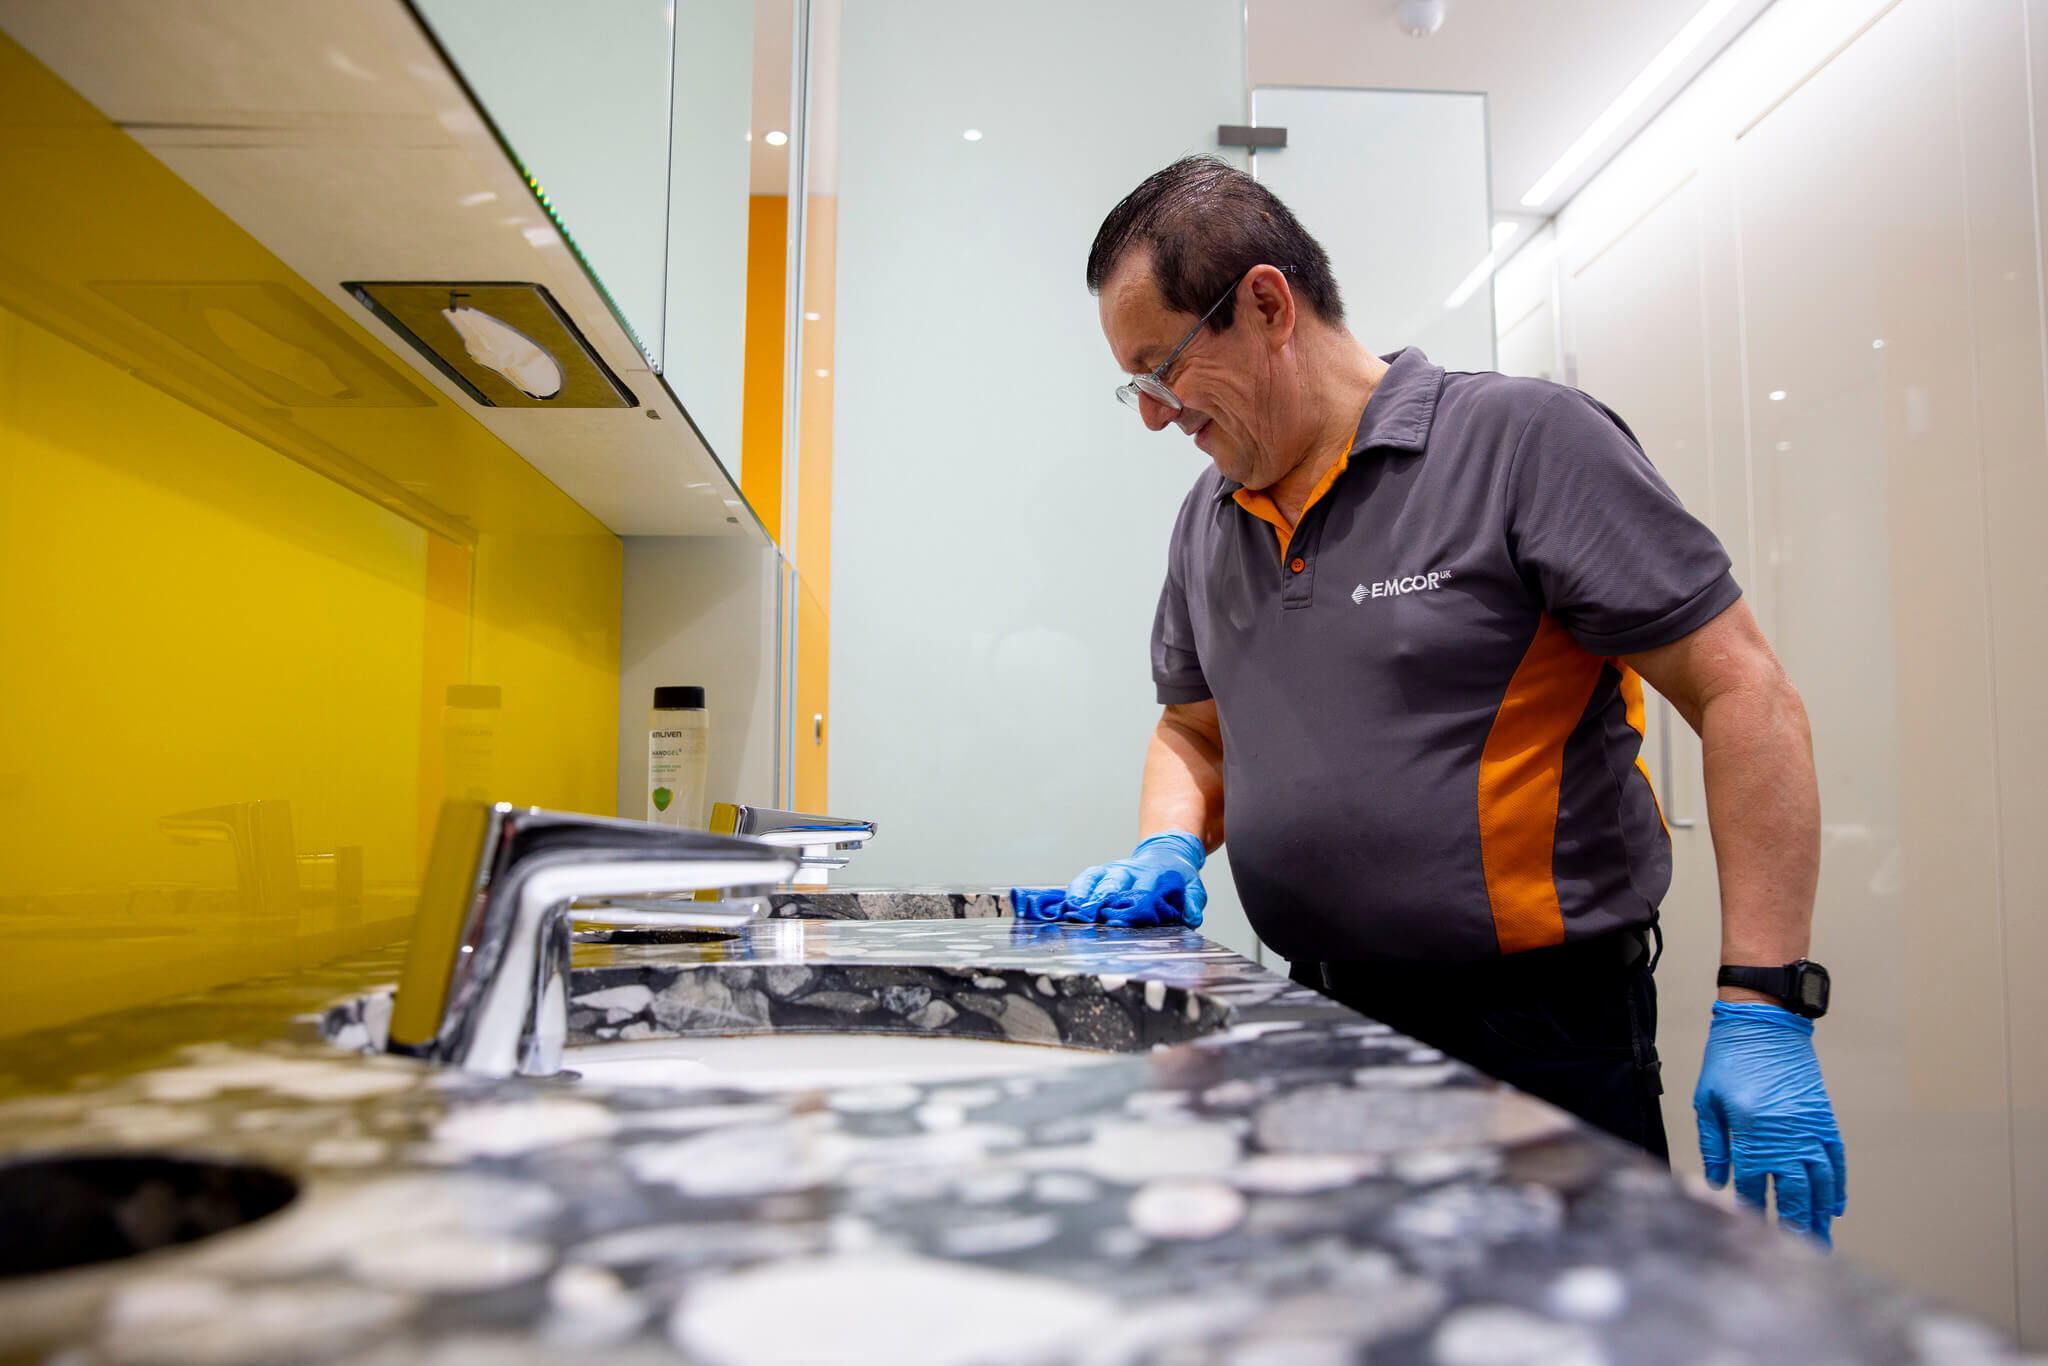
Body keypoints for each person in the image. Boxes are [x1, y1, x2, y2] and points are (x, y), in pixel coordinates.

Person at [1067, 156, 1845, 1243]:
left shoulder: (1523, 446)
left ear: (1263, 303)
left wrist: (1763, 997)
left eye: (1162, 374)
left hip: (1534, 1037)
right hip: (1314, 1022)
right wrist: (1165, 845)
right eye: (1135, 388)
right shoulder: (1209, 520)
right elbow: (1196, 729)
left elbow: (1743, 693)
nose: (1154, 419)